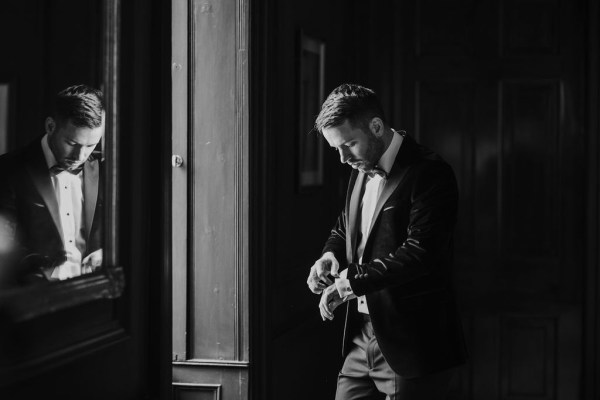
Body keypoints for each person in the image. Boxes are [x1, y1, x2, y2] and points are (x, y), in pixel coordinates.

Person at [306, 84, 467, 399]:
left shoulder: (431, 173)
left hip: (414, 342)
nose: (342, 158)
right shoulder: (360, 165)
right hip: (360, 337)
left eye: (349, 143)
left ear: (376, 127)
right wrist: (330, 255)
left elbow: (421, 253)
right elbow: (347, 226)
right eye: (335, 148)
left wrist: (350, 281)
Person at [0, 84, 104, 284]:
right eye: (72, 144)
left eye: (91, 146)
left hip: (93, 295)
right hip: (34, 297)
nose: (81, 156)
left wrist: (106, 254)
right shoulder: (8, 169)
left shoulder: (107, 170)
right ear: (50, 126)